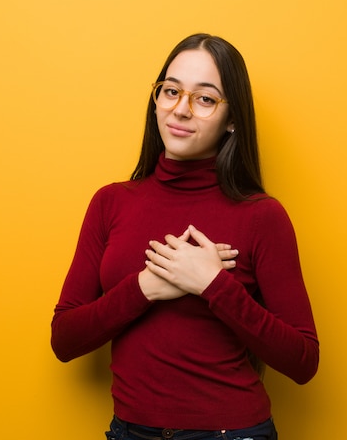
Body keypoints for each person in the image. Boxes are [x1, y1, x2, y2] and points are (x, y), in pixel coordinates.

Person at [51, 33, 319, 440]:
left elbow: (303, 360)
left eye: (205, 98)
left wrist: (212, 284)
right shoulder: (111, 203)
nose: (181, 109)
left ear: (233, 119)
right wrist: (147, 286)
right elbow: (64, 339)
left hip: (232, 432)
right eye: (171, 91)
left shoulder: (262, 216)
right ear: (156, 100)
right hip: (128, 432)